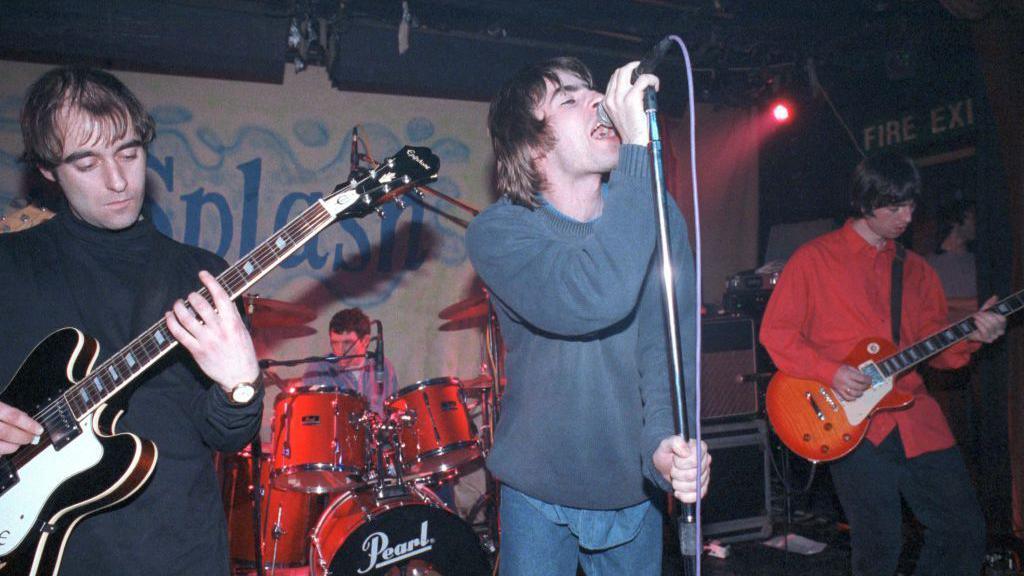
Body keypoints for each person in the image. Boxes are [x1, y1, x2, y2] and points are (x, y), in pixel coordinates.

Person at [0, 66, 263, 575]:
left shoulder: (200, 275)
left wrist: (241, 386)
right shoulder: (10, 266)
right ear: (49, 171)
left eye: (129, 153)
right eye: (86, 162)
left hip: (180, 554)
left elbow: (229, 434)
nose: (118, 180)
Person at [465, 57, 710, 575]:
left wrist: (665, 442)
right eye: (568, 98)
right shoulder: (499, 232)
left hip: (633, 487)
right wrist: (639, 154)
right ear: (531, 145)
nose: (597, 100)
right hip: (538, 491)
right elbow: (593, 296)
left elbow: (666, 350)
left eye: (592, 90)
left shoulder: (657, 214)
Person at [759, 153, 1006, 576]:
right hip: (849, 422)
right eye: (894, 207)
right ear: (864, 203)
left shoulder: (918, 272)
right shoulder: (814, 260)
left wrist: (973, 337)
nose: (906, 217)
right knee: (879, 547)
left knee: (964, 532)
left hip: (916, 416)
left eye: (911, 205)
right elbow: (776, 334)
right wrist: (831, 371)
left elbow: (939, 350)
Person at [299, 307, 398, 415]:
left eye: (347, 343)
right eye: (335, 343)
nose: (340, 350)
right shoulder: (317, 369)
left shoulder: (384, 367)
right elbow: (310, 418)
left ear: (365, 341)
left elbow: (393, 413)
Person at [927, 199, 977, 322]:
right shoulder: (926, 264)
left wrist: (945, 302)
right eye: (973, 217)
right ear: (957, 220)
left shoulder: (977, 262)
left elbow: (986, 303)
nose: (977, 223)